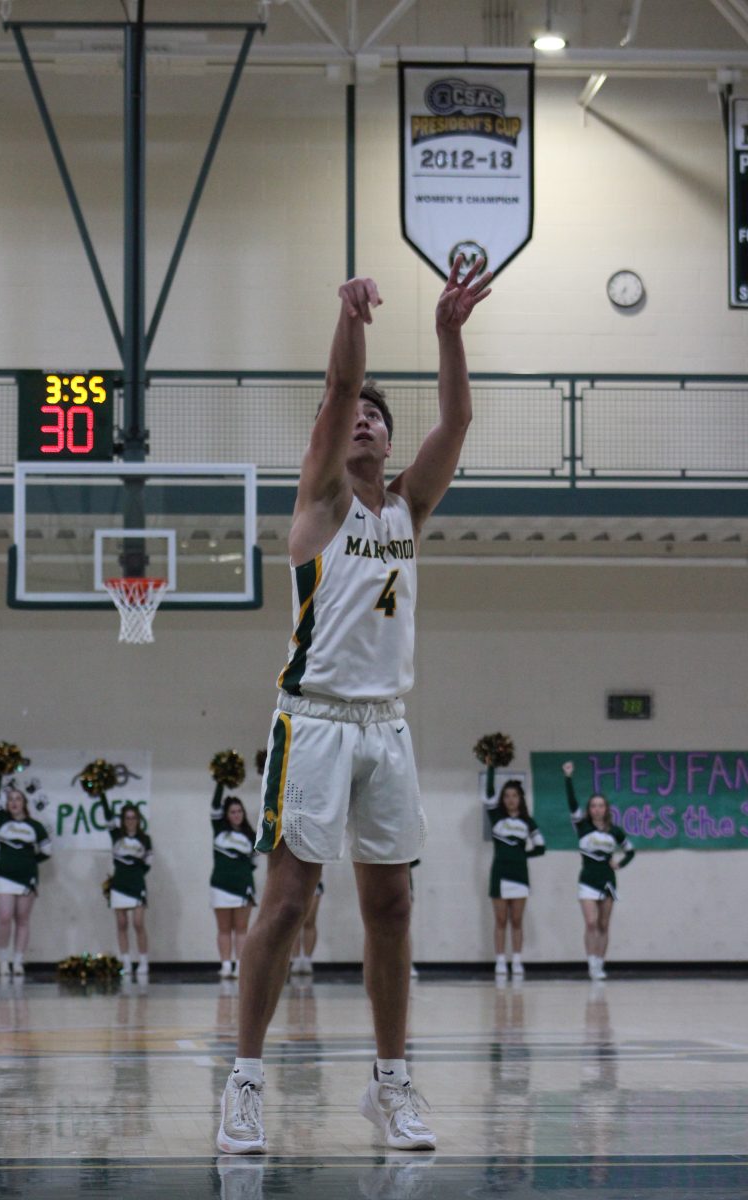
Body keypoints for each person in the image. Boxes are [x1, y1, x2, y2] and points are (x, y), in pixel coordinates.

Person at [217, 257, 494, 1156]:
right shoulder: (323, 500)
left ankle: (390, 1083)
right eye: (354, 416)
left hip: (389, 726)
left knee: (394, 906)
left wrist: (450, 334)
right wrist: (353, 319)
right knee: (290, 901)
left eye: (380, 414)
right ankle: (246, 1084)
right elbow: (340, 382)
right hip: (316, 718)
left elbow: (455, 419)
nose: (365, 418)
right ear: (333, 438)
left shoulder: (409, 507)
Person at [562, 761, 635, 980]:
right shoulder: (582, 826)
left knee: (603, 924)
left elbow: (630, 851)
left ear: (606, 808)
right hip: (587, 879)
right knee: (591, 922)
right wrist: (568, 778)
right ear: (589, 809)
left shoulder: (615, 831)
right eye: (593, 805)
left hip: (608, 880)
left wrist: (620, 864)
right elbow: (572, 804)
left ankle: (601, 962)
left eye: (600, 805)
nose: (597, 809)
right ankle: (591, 962)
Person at [483, 767, 545, 980]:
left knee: (517, 920)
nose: (510, 800)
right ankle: (500, 960)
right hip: (499, 874)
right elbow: (488, 792)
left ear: (520, 799)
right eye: (507, 796)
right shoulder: (496, 817)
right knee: (500, 920)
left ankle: (517, 960)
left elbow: (541, 847)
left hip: (519, 875)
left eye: (514, 796)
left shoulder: (528, 822)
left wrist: (522, 856)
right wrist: (491, 766)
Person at [0, 774, 52, 977]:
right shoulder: (1, 820)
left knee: (22, 919)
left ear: (24, 803)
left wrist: (29, 862)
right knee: (5, 918)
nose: (14, 802)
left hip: (27, 879)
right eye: (11, 799)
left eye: (18, 799)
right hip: (3, 876)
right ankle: (3, 960)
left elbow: (47, 851)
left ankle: (18, 961)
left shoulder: (36, 826)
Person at [100, 796, 153, 978]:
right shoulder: (116, 836)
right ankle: (126, 962)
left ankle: (143, 961)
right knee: (121, 924)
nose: (131, 821)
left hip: (137, 884)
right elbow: (107, 816)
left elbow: (147, 864)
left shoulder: (145, 839)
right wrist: (102, 794)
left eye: (134, 817)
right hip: (119, 884)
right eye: (127, 818)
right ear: (123, 820)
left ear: (138, 820)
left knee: (138, 923)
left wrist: (134, 874)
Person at [211, 793, 257, 979]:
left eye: (239, 811)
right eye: (233, 812)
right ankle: (225, 965)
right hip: (220, 885)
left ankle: (240, 965)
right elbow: (214, 804)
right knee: (223, 928)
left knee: (241, 928)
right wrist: (221, 780)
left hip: (243, 887)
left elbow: (255, 863)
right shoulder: (219, 830)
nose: (237, 815)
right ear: (226, 815)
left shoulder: (251, 836)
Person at [289, 879, 323, 975]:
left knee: (309, 920)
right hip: (292, 880)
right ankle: (296, 959)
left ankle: (307, 959)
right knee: (294, 922)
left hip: (314, 879)